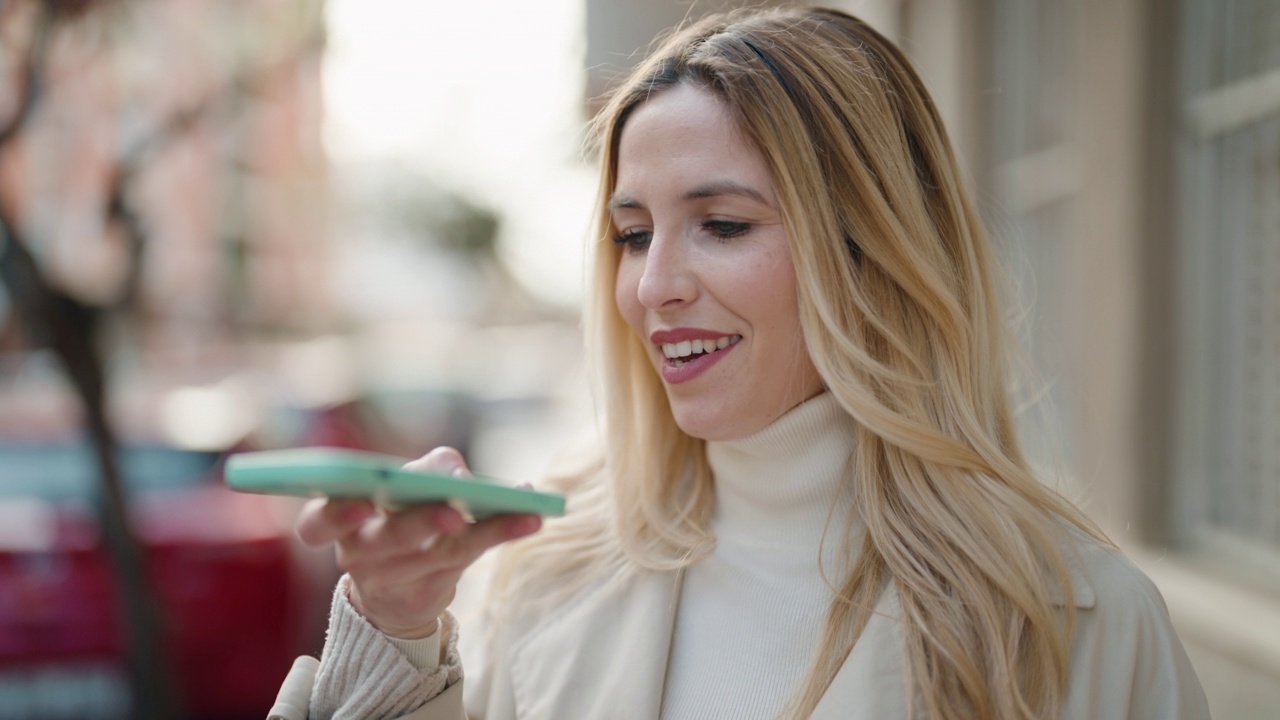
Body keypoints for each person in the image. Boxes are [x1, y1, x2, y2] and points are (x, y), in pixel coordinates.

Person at [270, 6, 1210, 720]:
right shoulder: (546, 582)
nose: (654, 287)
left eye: (720, 225)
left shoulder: (1076, 619)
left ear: (873, 250)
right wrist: (392, 626)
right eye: (633, 235)